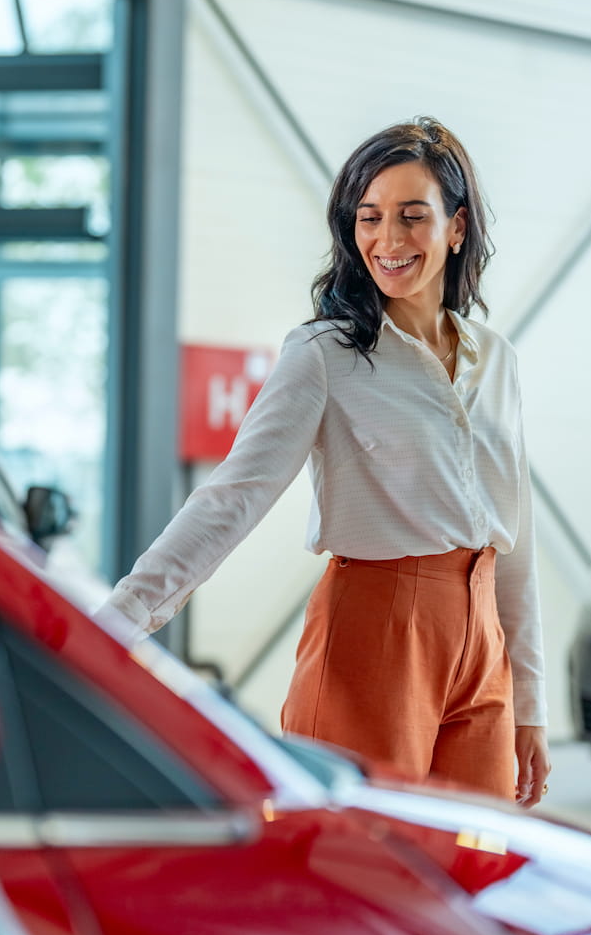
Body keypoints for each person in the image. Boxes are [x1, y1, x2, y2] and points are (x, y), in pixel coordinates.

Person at [103, 116, 550, 809]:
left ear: (457, 228)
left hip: (482, 639)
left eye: (412, 217)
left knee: (476, 873)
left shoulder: (498, 360)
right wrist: (113, 628)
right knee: (363, 870)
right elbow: (233, 498)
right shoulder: (325, 354)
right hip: (378, 632)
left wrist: (529, 701)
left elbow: (516, 538)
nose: (388, 240)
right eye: (368, 218)